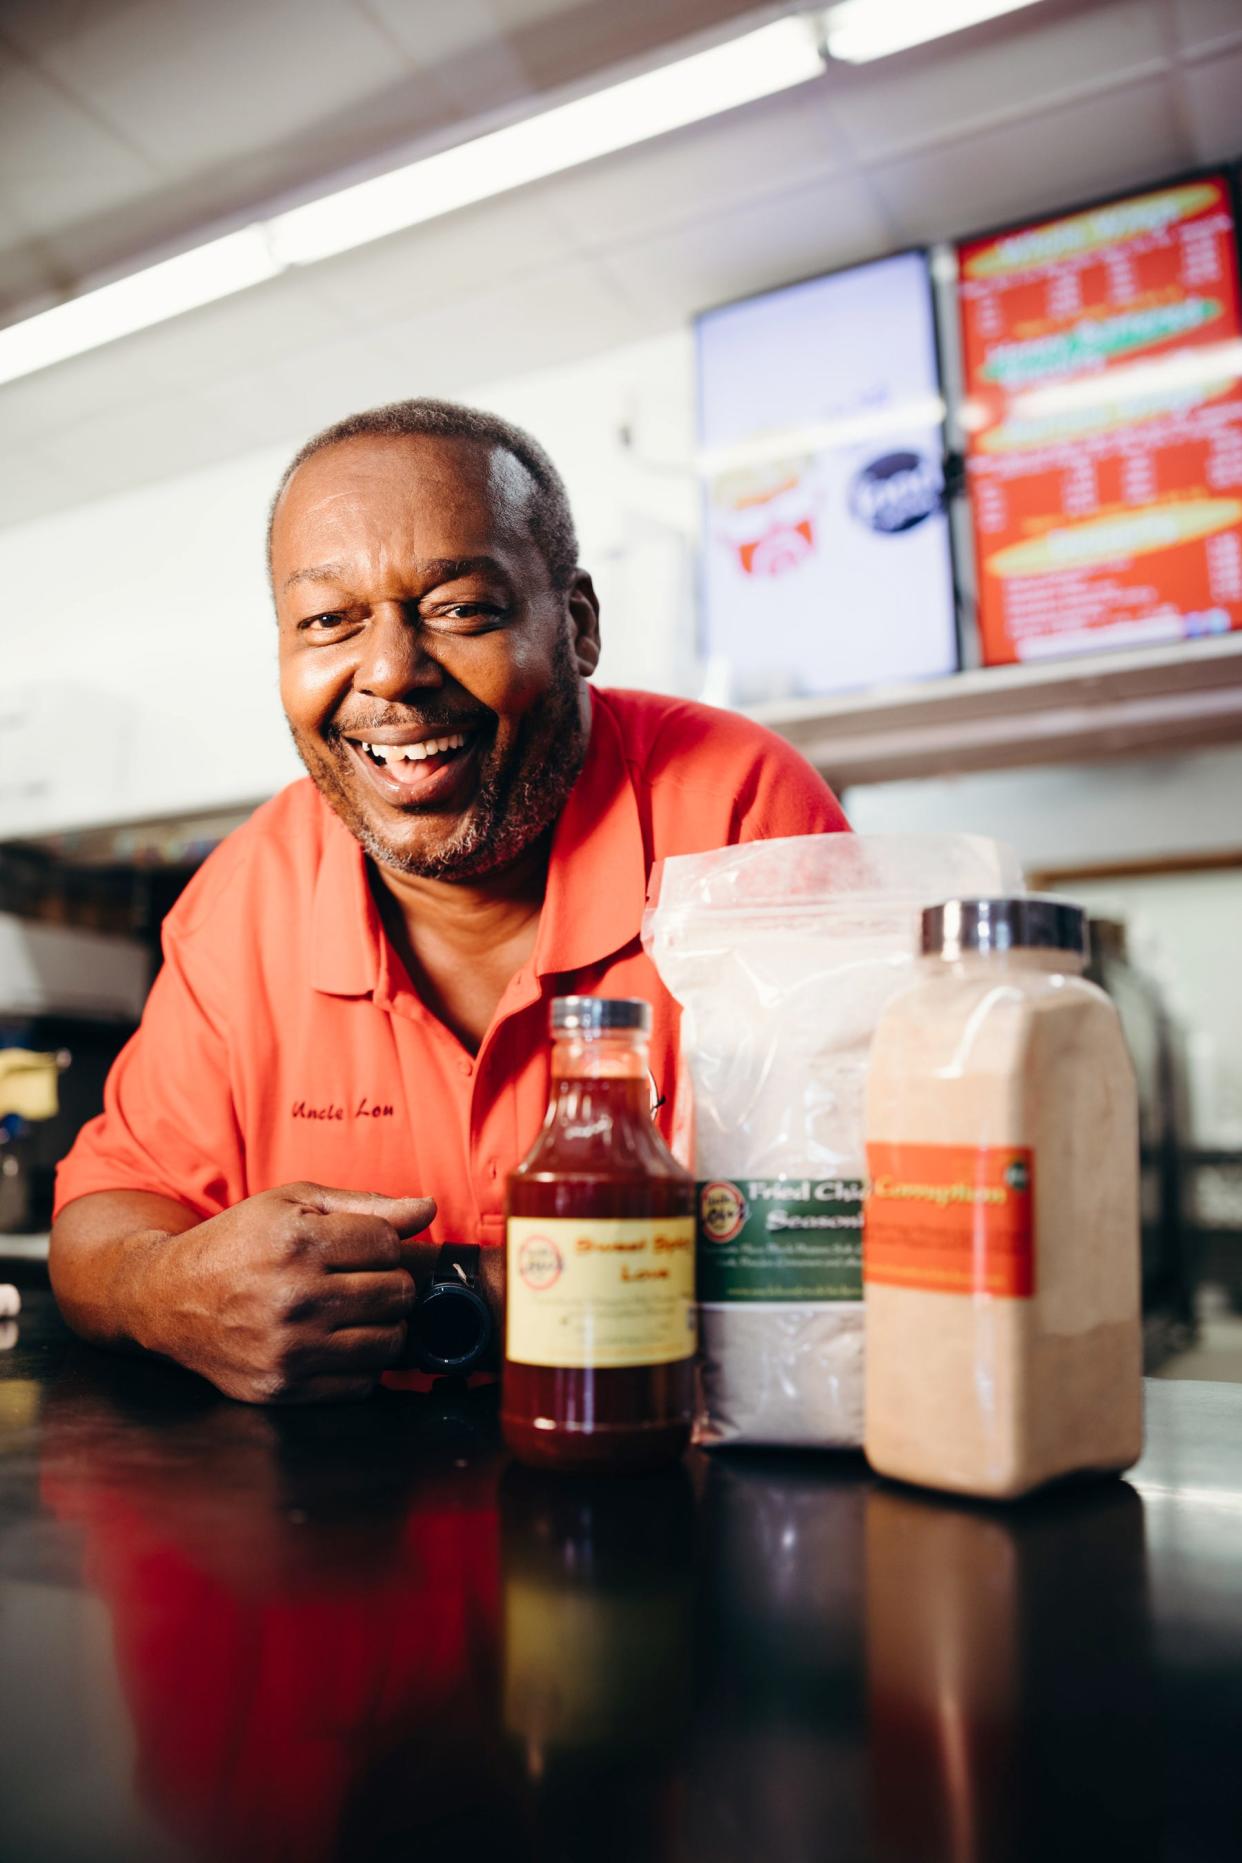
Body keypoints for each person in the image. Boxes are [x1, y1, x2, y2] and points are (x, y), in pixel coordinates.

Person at [50, 399, 848, 1403]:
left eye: (461, 609)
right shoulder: (246, 892)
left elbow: (863, 1225)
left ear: (579, 626)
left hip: (687, 1494)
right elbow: (104, 1216)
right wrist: (165, 1285)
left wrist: (446, 1293)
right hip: (345, 1531)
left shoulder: (740, 812)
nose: (389, 672)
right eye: (328, 622)